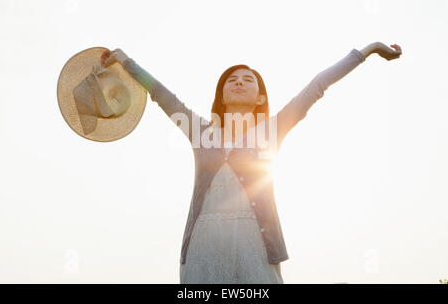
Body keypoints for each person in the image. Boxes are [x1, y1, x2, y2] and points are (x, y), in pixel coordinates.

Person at [101, 42, 402, 283]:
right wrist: (126, 62)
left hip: (256, 247)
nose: (239, 83)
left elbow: (317, 85)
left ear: (260, 97)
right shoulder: (200, 131)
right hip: (203, 246)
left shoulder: (273, 130)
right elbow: (161, 95)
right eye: (232, 80)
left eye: (248, 80)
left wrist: (369, 49)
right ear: (222, 94)